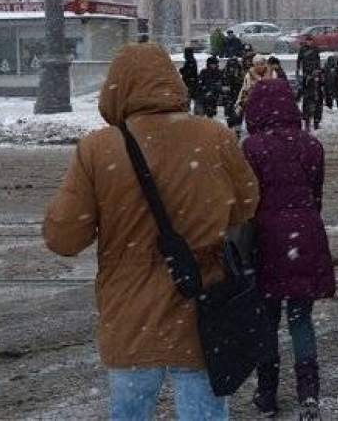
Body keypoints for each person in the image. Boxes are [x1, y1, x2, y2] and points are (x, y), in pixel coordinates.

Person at [42, 43, 260, 420]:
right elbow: (245, 206)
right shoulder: (214, 137)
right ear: (173, 83)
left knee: (129, 411)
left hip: (130, 317)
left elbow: (64, 238)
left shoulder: (98, 149)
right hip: (202, 311)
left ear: (116, 88)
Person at [242, 79, 336, 421]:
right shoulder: (312, 145)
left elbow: (246, 202)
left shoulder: (251, 148)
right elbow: (316, 194)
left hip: (266, 240)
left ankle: (267, 394)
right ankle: (308, 394)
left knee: (266, 321)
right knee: (301, 319)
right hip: (306, 234)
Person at [220, 57, 244, 129]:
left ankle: (237, 130)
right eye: (231, 66)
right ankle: (231, 128)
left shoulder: (241, 74)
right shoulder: (224, 73)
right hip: (228, 98)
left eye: (234, 66)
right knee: (229, 115)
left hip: (238, 98)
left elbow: (243, 86)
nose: (232, 69)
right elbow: (223, 87)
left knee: (238, 116)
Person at [324, 54, 338, 119]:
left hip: (334, 87)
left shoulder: (336, 69)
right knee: (333, 103)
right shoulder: (327, 69)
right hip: (331, 87)